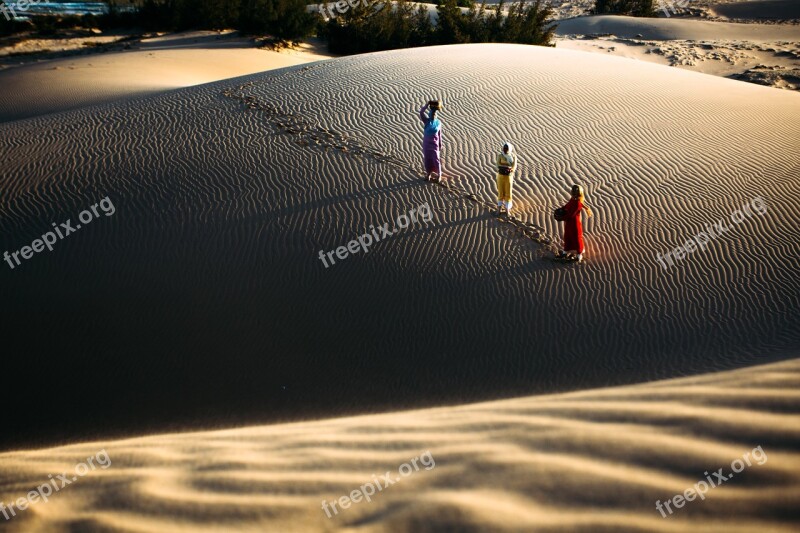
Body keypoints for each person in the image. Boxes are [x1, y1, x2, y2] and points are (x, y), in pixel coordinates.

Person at [558, 184, 593, 262]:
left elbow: (571, 214)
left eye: (575, 193)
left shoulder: (578, 203)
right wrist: (562, 209)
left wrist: (562, 218)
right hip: (569, 223)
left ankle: (579, 254)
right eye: (573, 192)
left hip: (575, 224)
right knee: (567, 236)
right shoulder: (572, 200)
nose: (573, 194)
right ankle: (566, 251)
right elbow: (567, 206)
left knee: (577, 238)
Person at [418, 100, 443, 182]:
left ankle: (439, 175)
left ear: (436, 115)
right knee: (427, 159)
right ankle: (428, 174)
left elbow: (439, 135)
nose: (433, 115)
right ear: (429, 114)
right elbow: (421, 112)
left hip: (435, 145)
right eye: (431, 113)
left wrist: (440, 144)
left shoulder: (438, 123)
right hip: (426, 144)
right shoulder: (426, 121)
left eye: (434, 114)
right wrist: (427, 104)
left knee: (436, 159)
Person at [496, 142, 516, 215]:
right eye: (504, 148)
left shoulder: (513, 156)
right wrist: (501, 168)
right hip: (500, 176)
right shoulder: (500, 156)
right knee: (500, 192)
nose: (505, 150)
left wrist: (510, 169)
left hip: (509, 177)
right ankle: (499, 208)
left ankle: (507, 209)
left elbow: (514, 166)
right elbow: (497, 164)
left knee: (508, 192)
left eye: (506, 149)